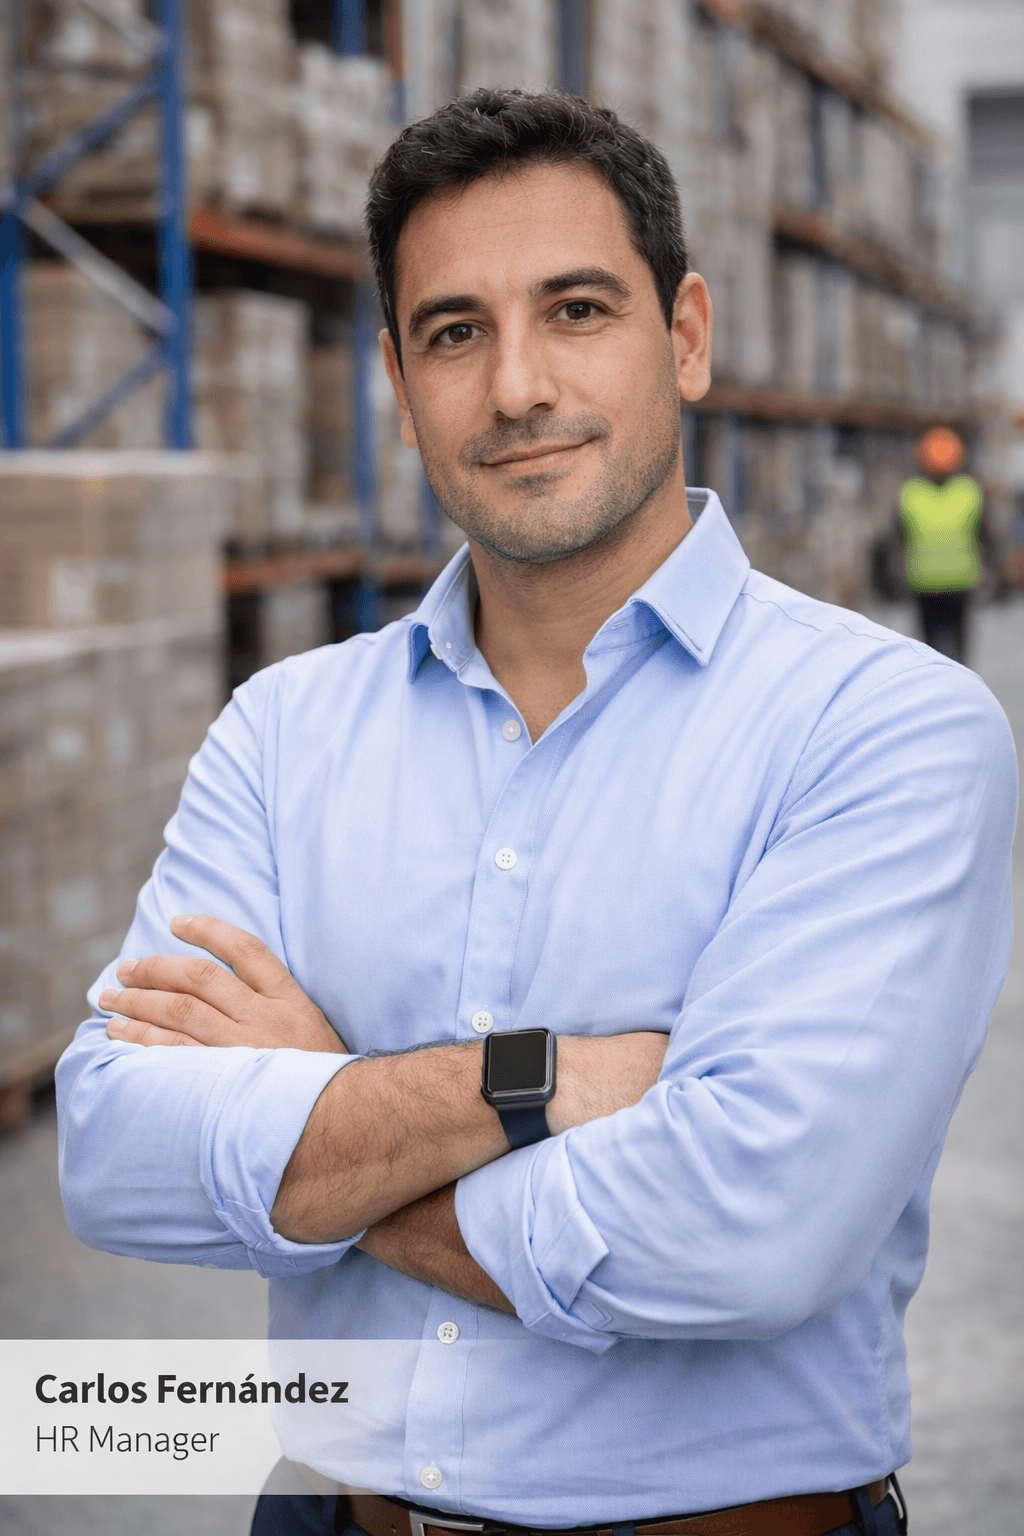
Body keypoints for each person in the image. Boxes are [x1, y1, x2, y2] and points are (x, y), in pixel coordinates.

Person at [56, 90, 1016, 1536]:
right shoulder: (284, 731)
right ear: (398, 378)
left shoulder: (881, 729)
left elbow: (742, 1232)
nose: (515, 387)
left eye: (576, 310)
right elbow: (114, 1150)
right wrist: (536, 1082)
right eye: (454, 333)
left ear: (684, 335)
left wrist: (333, 1117)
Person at [900, 426, 984, 663]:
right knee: (960, 650)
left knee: (929, 652)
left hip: (923, 582)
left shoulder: (910, 492)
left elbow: (897, 538)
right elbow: (984, 534)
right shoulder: (969, 491)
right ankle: (960, 690)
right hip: (961, 581)